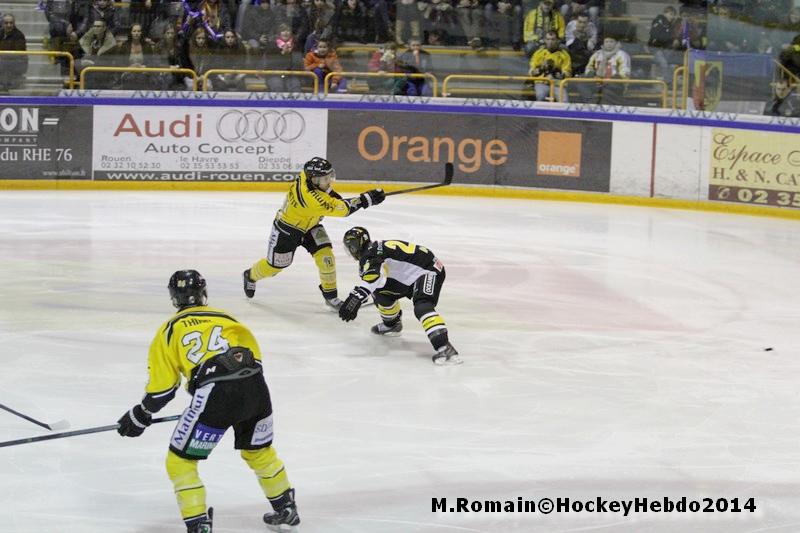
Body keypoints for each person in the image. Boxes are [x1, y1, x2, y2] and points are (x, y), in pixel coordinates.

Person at [116, 270, 300, 533]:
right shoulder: (227, 319)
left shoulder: (169, 330)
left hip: (216, 394)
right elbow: (254, 359)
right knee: (258, 452)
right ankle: (286, 507)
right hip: (256, 388)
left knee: (179, 462)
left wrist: (140, 415)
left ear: (174, 299)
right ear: (203, 293)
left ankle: (198, 524)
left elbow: (162, 391)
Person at [242, 157, 386, 310]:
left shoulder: (306, 175)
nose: (329, 181)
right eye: (325, 178)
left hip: (311, 225)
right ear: (315, 180)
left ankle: (331, 297)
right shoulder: (310, 199)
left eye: (330, 176)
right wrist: (366, 199)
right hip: (287, 230)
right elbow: (343, 209)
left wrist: (344, 197)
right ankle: (250, 275)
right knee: (275, 267)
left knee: (326, 258)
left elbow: (330, 195)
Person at [338, 226, 462, 366]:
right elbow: (378, 280)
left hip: (429, 270)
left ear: (354, 247)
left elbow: (373, 277)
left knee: (422, 306)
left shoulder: (370, 255)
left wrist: (356, 298)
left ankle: (445, 348)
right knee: (380, 292)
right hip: (412, 274)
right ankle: (392, 324)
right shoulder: (373, 250)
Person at [0, 14, 27, 93]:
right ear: (2, 23)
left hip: (16, 63)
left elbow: (17, 54)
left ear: (14, 23)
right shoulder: (0, 33)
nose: (9, 25)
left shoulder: (19, 35)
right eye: (6, 23)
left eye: (11, 23)